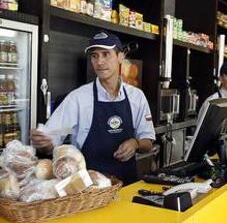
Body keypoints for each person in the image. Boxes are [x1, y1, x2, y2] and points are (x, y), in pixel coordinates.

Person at [31, 31, 155, 185]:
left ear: (121, 56)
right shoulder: (77, 98)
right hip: (88, 191)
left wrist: (136, 144)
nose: (100, 62)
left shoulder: (137, 97)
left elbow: (148, 142)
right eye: (94, 56)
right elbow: (56, 135)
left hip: (126, 186)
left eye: (105, 54)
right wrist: (44, 142)